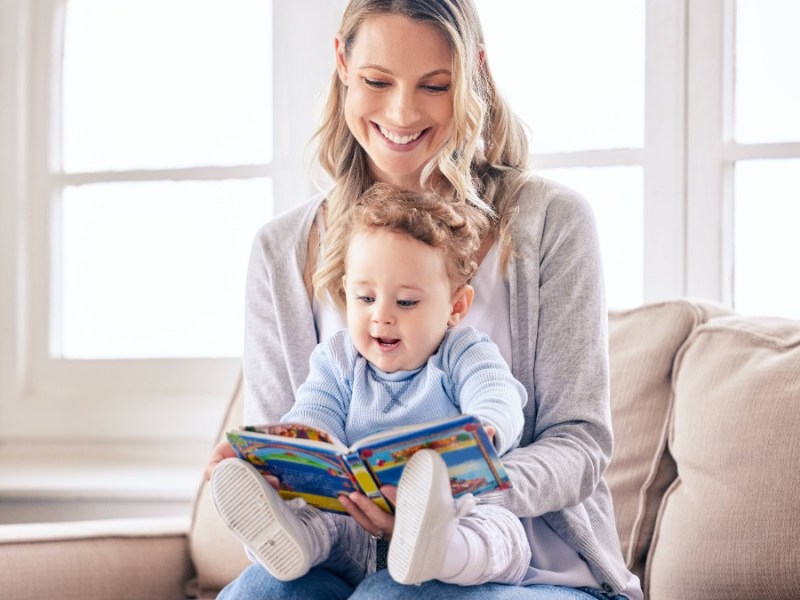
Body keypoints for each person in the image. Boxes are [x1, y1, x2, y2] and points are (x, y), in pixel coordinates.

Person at [204, 0, 644, 598]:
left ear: (473, 77)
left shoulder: (552, 223)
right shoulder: (280, 252)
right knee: (261, 593)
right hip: (341, 562)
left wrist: (442, 497)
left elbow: (581, 443)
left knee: (395, 595)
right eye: (376, 81)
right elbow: (302, 425)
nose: (402, 112)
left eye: (434, 85)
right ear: (341, 63)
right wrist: (272, 464)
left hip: (525, 566)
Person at [211, 182, 531, 589]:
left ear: (455, 307)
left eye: (406, 303)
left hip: (454, 511)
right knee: (321, 519)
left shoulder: (463, 351)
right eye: (365, 298)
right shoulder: (338, 359)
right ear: (346, 293)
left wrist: (488, 425)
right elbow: (313, 415)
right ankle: (290, 541)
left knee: (500, 531)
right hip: (354, 527)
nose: (381, 317)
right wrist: (285, 454)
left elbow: (495, 393)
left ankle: (439, 549)